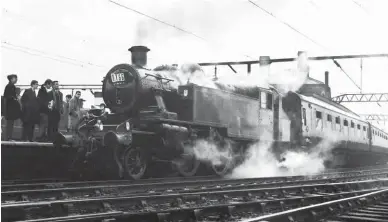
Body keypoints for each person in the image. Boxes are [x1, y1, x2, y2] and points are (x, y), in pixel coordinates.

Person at [3, 74, 22, 141]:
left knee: (10, 124)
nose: (16, 80)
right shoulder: (9, 86)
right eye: (15, 78)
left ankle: (8, 137)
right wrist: (15, 98)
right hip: (10, 108)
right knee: (10, 124)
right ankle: (8, 138)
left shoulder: (11, 86)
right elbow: (7, 97)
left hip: (10, 108)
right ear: (11, 79)